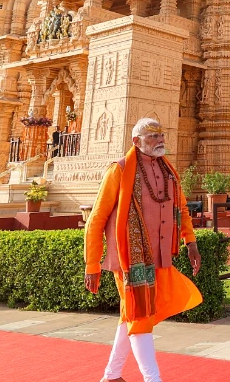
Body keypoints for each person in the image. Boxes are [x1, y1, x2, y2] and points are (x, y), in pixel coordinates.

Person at [84, 118, 201, 382]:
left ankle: (111, 376)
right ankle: (152, 379)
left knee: (133, 316)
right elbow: (97, 219)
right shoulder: (120, 170)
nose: (159, 140)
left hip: (159, 257)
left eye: (161, 134)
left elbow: (181, 209)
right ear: (136, 142)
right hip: (129, 259)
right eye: (152, 136)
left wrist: (190, 242)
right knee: (140, 316)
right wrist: (92, 265)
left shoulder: (169, 171)